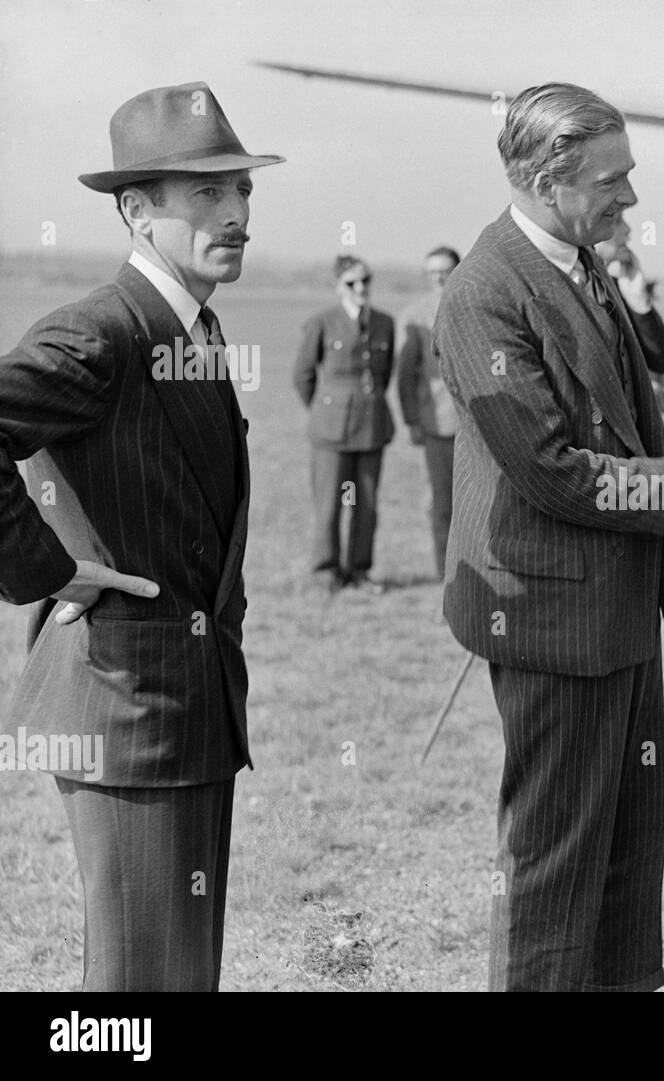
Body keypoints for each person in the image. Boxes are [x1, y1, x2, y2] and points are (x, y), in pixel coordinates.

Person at [434, 82, 664, 991]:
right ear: (543, 177)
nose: (630, 200)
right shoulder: (483, 295)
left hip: (616, 610)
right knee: (553, 870)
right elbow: (557, 471)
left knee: (631, 843)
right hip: (551, 622)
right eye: (614, 181)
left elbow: (625, 425)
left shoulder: (578, 256)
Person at [0, 82, 282, 990]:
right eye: (206, 193)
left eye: (241, 189)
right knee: (139, 990)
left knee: (177, 976)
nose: (236, 212)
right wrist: (47, 569)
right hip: (126, 712)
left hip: (181, 712)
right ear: (135, 209)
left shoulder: (189, 327)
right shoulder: (104, 332)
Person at [293, 255, 396, 593]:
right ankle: (326, 571)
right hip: (331, 431)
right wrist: (326, 409)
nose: (361, 288)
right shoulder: (322, 322)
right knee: (329, 504)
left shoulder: (384, 322)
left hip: (371, 426)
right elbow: (303, 376)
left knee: (366, 505)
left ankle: (359, 571)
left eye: (365, 280)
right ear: (338, 287)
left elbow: (384, 374)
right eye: (351, 282)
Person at [396, 246, 460, 582]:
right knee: (443, 503)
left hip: (481, 426)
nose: (439, 277)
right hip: (438, 423)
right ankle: (447, 574)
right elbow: (405, 376)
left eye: (445, 270)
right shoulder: (414, 316)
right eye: (432, 272)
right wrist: (412, 421)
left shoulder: (475, 305)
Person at [593, 213, 664, 412]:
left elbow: (663, 360)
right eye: (616, 221)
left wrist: (639, 302)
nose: (628, 231)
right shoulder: (566, 291)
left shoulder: (621, 290)